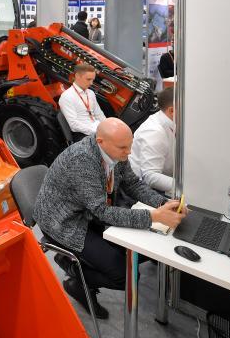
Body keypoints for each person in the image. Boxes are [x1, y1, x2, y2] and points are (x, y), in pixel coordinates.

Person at [33, 117, 184, 319]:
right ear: (100, 142)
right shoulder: (82, 160)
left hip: (86, 212)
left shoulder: (115, 151)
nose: (128, 152)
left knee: (139, 252)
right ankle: (75, 275)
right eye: (123, 148)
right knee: (125, 277)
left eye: (130, 146)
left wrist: (162, 203)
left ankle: (84, 268)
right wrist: (154, 216)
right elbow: (102, 211)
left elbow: (132, 183)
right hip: (63, 222)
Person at [129, 87, 177, 197]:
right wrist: (184, 187)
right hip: (143, 191)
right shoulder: (154, 131)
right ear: (171, 111)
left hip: (162, 181)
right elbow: (150, 176)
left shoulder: (168, 121)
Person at [59, 63, 107, 137]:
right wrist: (97, 132)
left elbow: (99, 114)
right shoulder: (67, 96)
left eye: (92, 80)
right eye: (88, 79)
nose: (91, 83)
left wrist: (107, 126)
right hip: (83, 135)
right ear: (77, 76)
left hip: (97, 130)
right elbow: (74, 125)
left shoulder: (90, 93)